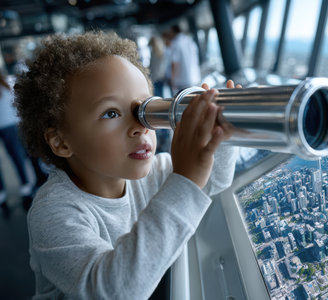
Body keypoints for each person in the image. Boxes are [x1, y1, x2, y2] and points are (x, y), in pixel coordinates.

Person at [13, 31, 238, 299]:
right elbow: (113, 291)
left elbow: (213, 181)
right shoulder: (53, 213)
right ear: (61, 142)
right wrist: (186, 179)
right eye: (111, 113)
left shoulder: (153, 172)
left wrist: (219, 138)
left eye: (144, 109)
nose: (140, 127)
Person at [0, 73, 33, 215]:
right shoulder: (5, 84)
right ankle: (3, 193)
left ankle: (25, 187)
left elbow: (14, 104)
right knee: (16, 156)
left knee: (16, 156)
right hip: (9, 124)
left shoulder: (5, 84)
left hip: (9, 125)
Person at [162, 25, 201, 94]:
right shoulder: (190, 41)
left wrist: (172, 80)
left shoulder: (176, 43)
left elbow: (175, 63)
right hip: (194, 78)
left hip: (182, 81)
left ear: (172, 31)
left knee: (183, 102)